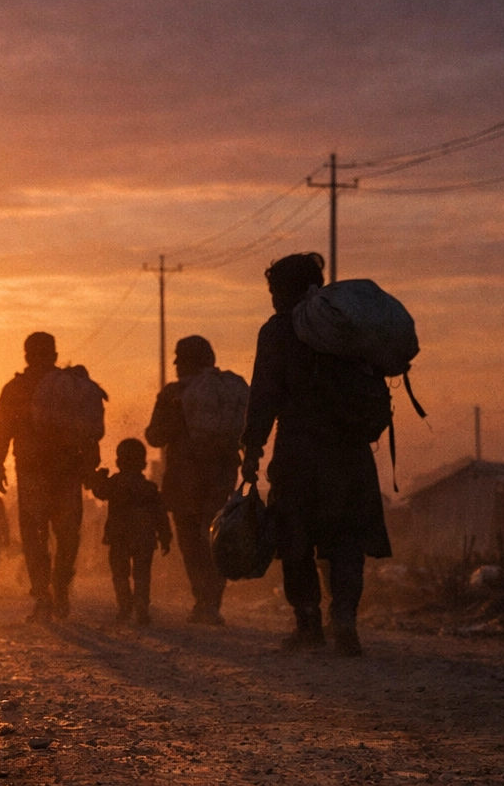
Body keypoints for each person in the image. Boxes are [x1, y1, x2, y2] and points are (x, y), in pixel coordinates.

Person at [240, 252, 392, 657]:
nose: (272, 298)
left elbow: (264, 396)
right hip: (351, 455)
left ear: (286, 290)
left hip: (298, 455)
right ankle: (345, 621)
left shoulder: (278, 332)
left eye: (275, 290)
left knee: (295, 541)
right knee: (346, 543)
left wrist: (252, 447)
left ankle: (308, 624)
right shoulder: (349, 329)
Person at [0, 332, 96, 622]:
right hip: (68, 471)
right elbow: (87, 427)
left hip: (32, 472)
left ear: (26, 356)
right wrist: (89, 466)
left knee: (34, 536)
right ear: (55, 356)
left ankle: (43, 596)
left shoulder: (15, 388)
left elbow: (1, 432)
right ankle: (60, 589)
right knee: (67, 534)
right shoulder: (72, 386)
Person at [144, 335, 237, 625]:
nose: (173, 363)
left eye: (178, 357)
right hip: (221, 475)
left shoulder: (174, 393)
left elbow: (154, 435)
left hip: (184, 478)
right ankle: (212, 603)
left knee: (191, 544)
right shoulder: (225, 389)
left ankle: (202, 601)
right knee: (216, 539)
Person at [87, 439, 171, 625]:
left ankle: (125, 607)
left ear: (118, 462)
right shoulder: (149, 489)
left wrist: (100, 477)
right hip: (144, 538)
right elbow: (161, 515)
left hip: (119, 537)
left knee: (120, 574)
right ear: (143, 463)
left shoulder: (115, 484)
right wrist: (165, 537)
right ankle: (141, 608)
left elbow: (99, 491)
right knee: (142, 574)